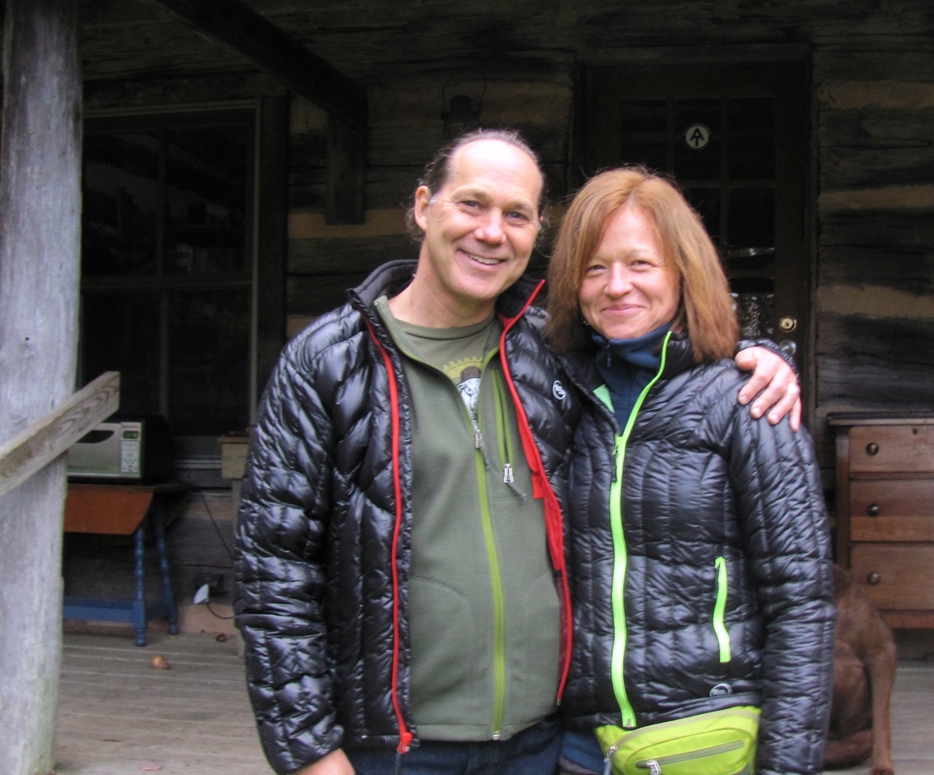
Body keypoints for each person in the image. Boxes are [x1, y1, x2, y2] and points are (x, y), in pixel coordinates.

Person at [234, 131, 801, 775]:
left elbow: (661, 354)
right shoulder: (328, 363)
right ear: (424, 207)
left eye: (516, 215)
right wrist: (309, 752)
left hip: (541, 741)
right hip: (391, 750)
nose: (492, 232)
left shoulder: (551, 345)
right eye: (471, 205)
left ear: (536, 232)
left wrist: (760, 360)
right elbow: (273, 571)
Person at [545, 166, 835, 775]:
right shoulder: (555, 393)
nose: (616, 286)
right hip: (575, 744)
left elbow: (801, 604)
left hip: (708, 737)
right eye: (594, 268)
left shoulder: (748, 402)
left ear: (684, 270)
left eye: (640, 264)